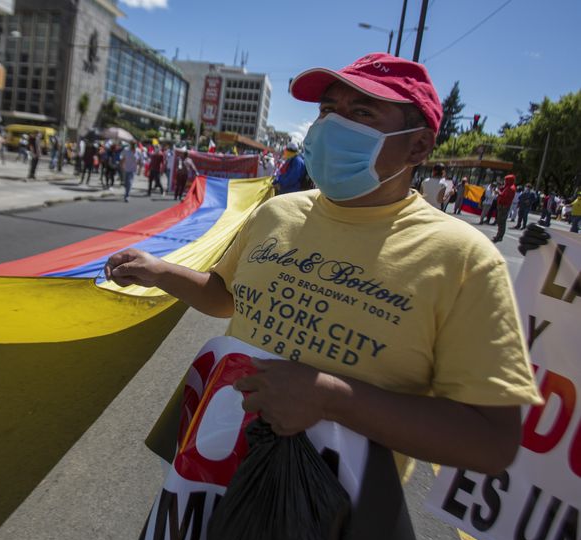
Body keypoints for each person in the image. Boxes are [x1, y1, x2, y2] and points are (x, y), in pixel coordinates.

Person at [105, 53, 540, 496]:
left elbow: (492, 441)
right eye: (328, 110)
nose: (333, 126)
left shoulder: (465, 259)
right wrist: (159, 272)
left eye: (362, 112)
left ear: (419, 146)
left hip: (326, 514)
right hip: (213, 469)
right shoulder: (276, 213)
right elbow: (224, 297)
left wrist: (332, 399)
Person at [491, 175, 517, 242]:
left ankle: (499, 236)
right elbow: (503, 190)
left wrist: (498, 192)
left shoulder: (511, 188)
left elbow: (504, 196)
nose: (505, 181)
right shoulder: (508, 187)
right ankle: (498, 235)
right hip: (502, 206)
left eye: (506, 180)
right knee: (500, 221)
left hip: (504, 206)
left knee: (501, 222)